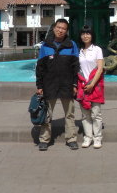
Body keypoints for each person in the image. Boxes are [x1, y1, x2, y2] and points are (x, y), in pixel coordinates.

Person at [36, 19, 79, 151]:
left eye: (64, 28)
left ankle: (71, 138)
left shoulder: (71, 45)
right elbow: (40, 67)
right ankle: (44, 139)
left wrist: (74, 84)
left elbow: (75, 67)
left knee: (69, 113)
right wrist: (39, 85)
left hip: (67, 84)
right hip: (49, 84)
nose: (61, 30)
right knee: (47, 113)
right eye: (59, 27)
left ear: (66, 31)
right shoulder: (46, 45)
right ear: (54, 28)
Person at [77, 25, 105, 149]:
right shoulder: (79, 51)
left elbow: (100, 68)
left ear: (92, 35)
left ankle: (98, 138)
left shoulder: (97, 49)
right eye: (83, 34)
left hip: (94, 85)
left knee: (96, 114)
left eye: (88, 33)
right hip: (82, 85)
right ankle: (88, 137)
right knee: (85, 115)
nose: (85, 36)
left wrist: (92, 83)